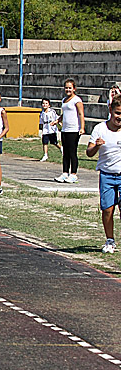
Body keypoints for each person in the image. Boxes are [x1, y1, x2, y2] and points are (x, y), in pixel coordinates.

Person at [86, 98, 121, 254]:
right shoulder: (100, 128)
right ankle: (110, 239)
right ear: (110, 112)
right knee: (108, 209)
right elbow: (89, 152)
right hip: (107, 174)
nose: (119, 117)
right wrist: (97, 146)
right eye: (117, 113)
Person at [55, 79, 84, 183]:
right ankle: (65, 172)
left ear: (74, 89)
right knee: (65, 152)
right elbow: (65, 113)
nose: (68, 90)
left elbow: (81, 114)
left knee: (72, 152)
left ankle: (73, 174)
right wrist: (58, 120)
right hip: (65, 129)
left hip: (74, 129)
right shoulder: (64, 100)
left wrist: (82, 127)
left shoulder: (77, 100)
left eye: (70, 88)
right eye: (66, 88)